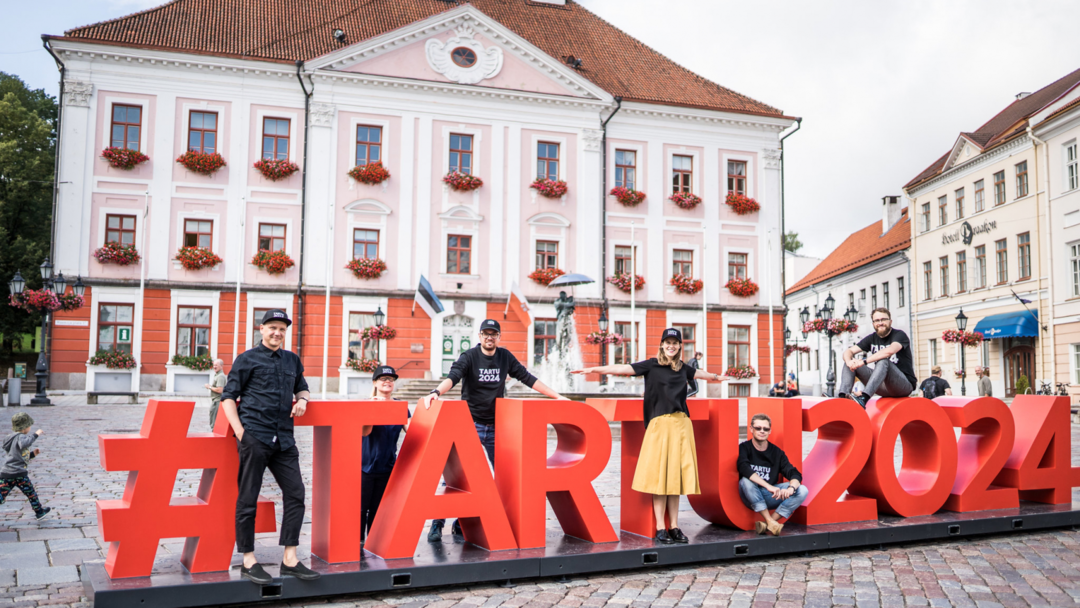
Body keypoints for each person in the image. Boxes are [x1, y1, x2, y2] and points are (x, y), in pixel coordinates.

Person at [573, 328, 730, 545]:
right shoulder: (651, 365)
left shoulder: (683, 368)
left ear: (679, 346)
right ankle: (659, 527)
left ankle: (674, 526)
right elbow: (622, 368)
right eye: (668, 342)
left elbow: (700, 374)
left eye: (675, 343)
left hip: (681, 424)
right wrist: (593, 369)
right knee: (660, 480)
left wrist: (717, 377)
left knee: (676, 479)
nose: (671, 346)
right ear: (662, 344)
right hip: (659, 425)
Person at [420, 319, 567, 542]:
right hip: (470, 425)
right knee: (457, 476)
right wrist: (435, 392)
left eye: (494, 334)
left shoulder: (504, 357)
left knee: (502, 474)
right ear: (479, 336)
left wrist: (557, 396)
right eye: (486, 334)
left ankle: (465, 522)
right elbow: (454, 376)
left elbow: (527, 378)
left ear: (499, 337)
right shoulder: (469, 356)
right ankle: (437, 524)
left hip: (497, 426)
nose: (490, 337)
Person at [220, 309, 320, 585]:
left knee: (296, 494)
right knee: (248, 498)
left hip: (284, 440)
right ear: (261, 329)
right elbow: (228, 397)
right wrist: (242, 434)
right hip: (256, 437)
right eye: (273, 327)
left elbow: (302, 387)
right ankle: (249, 561)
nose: (277, 332)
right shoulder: (247, 359)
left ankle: (290, 559)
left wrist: (303, 400)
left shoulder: (292, 360)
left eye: (282, 329)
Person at [360, 365, 410, 544]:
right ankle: (357, 545)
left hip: (387, 467)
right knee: (361, 509)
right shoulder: (367, 403)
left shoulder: (400, 406)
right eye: (383, 379)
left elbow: (411, 431)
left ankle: (373, 544)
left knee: (378, 510)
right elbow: (365, 432)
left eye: (391, 379)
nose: (387, 382)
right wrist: (374, 408)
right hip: (364, 467)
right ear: (375, 382)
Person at [737, 413, 807, 536]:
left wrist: (791, 488)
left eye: (766, 429)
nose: (762, 431)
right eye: (758, 428)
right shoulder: (744, 448)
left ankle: (769, 522)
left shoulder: (776, 452)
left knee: (802, 490)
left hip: (770, 495)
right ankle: (770, 521)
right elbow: (744, 469)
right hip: (749, 495)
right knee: (746, 481)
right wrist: (769, 486)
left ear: (770, 431)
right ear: (751, 429)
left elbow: (794, 473)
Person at [838, 307, 917, 408]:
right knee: (850, 362)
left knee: (884, 361)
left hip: (903, 386)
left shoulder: (899, 335)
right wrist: (850, 362)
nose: (880, 323)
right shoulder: (872, 338)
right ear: (873, 323)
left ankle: (863, 399)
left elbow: (890, 351)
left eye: (883, 319)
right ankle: (842, 398)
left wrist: (864, 361)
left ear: (890, 321)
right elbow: (848, 351)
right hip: (882, 386)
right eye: (877, 320)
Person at [0, 413, 52, 521]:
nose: (30, 428)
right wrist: (36, 434)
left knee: (1, 494)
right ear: (24, 427)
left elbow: (19, 456)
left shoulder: (11, 438)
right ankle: (39, 513)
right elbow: (26, 443)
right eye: (29, 426)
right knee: (31, 494)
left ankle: (40, 512)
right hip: (19, 474)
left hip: (7, 474)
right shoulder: (21, 437)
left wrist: (32, 454)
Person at [205, 358, 227, 429]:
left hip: (217, 401)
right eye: (214, 365)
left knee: (214, 420)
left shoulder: (220, 376)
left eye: (216, 365)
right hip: (215, 400)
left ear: (221, 366)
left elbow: (219, 390)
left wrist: (209, 387)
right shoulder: (217, 375)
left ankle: (213, 434)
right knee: (212, 417)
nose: (214, 367)